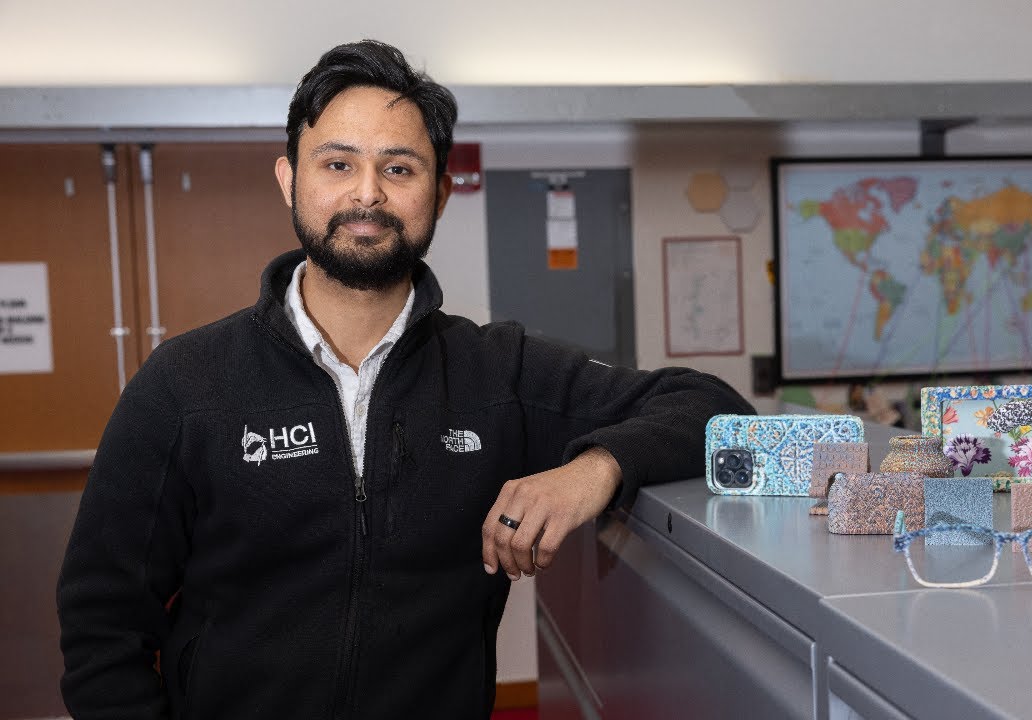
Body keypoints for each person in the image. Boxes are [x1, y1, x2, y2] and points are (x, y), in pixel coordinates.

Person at [57, 39, 754, 719]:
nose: (367, 193)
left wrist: (594, 470)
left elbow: (712, 406)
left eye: (399, 168)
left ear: (440, 193)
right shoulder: (185, 385)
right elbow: (101, 625)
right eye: (337, 164)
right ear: (289, 180)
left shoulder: (499, 371)